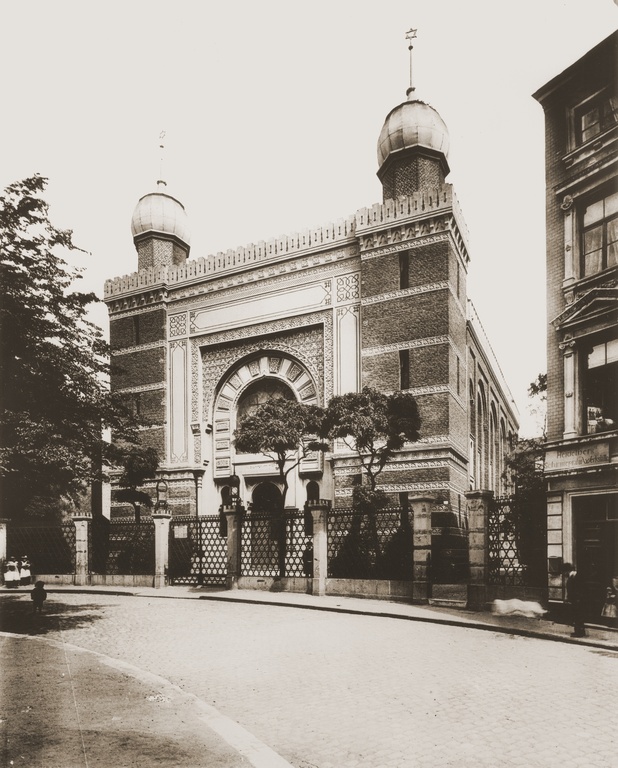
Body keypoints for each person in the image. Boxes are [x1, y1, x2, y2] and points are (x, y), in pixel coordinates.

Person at [564, 563, 586, 638]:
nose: (564, 574)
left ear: (567, 571)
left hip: (577, 600)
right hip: (576, 599)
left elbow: (579, 588)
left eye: (564, 572)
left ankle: (579, 632)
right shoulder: (573, 576)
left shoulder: (575, 576)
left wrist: (577, 598)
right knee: (578, 615)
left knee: (577, 615)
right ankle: (580, 631)